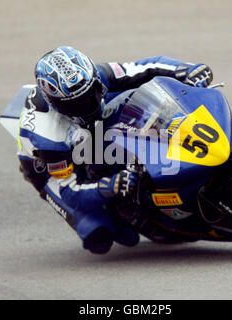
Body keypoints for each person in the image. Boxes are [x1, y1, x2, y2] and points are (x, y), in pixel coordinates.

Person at [17, 46, 213, 254]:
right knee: (100, 236)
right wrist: (110, 186)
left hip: (86, 130)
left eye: (91, 94)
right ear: (56, 104)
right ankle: (120, 206)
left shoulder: (92, 77)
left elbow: (145, 67)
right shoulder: (49, 138)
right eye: (77, 104)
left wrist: (188, 70)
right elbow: (70, 191)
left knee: (135, 99)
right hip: (48, 168)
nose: (88, 103)